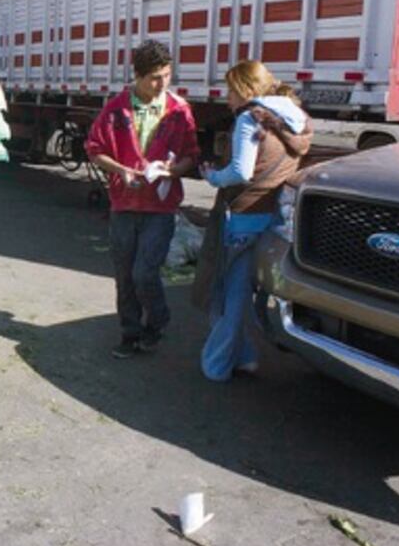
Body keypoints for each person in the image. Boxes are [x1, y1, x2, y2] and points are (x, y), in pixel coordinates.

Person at [199, 60, 312, 381]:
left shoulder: (251, 118)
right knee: (247, 292)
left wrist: (212, 176)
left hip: (244, 216)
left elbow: (240, 171)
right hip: (273, 217)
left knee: (230, 294)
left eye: (231, 91)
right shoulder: (294, 118)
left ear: (247, 90)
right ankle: (245, 357)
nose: (228, 99)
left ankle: (216, 366)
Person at [86, 40, 200, 358]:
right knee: (124, 275)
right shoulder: (116, 109)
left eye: (166, 75)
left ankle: (157, 322)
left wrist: (173, 170)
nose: (161, 83)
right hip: (123, 205)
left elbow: (192, 156)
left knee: (144, 273)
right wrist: (121, 170)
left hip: (160, 207)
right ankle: (130, 333)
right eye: (154, 77)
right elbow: (94, 149)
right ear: (136, 75)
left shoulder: (179, 111)